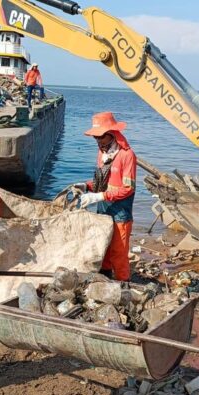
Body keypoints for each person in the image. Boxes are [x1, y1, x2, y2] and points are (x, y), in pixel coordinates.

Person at [75, 112, 137, 281]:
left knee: (119, 251)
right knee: (104, 247)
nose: (98, 141)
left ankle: (124, 283)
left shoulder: (126, 155)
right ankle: (105, 280)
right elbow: (102, 181)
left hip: (120, 211)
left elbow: (128, 189)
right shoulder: (102, 154)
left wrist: (99, 196)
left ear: (112, 134)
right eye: (95, 138)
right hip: (104, 209)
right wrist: (86, 186)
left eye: (101, 137)